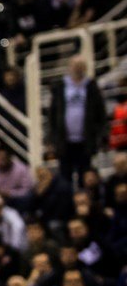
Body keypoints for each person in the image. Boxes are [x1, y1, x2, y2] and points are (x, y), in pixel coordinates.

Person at [48, 55, 107, 187]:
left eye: (80, 66)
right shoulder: (61, 87)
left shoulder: (91, 86)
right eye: (75, 66)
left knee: (85, 175)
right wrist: (52, 139)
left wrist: (101, 134)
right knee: (65, 176)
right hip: (65, 141)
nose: (77, 69)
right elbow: (52, 114)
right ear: (69, 67)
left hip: (85, 141)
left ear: (85, 68)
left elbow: (101, 113)